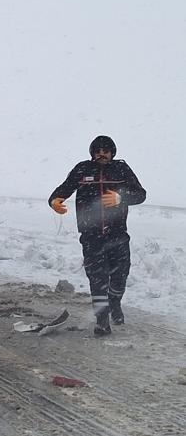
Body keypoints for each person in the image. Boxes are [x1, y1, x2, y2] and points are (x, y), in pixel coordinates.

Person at [48, 135, 146, 336]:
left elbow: (140, 194)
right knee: (97, 278)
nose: (102, 153)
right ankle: (102, 321)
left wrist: (121, 197)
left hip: (117, 234)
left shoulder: (121, 169)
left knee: (120, 276)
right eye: (98, 150)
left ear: (112, 153)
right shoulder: (82, 169)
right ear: (92, 153)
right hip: (91, 236)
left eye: (106, 150)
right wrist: (54, 200)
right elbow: (66, 187)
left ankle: (115, 303)